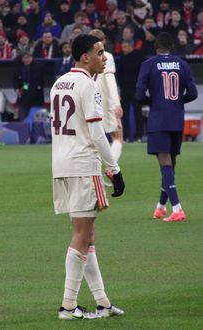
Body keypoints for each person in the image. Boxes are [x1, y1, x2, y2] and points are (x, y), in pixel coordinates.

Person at [50, 34, 125, 320]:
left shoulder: (59, 83)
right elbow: (96, 133)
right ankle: (68, 305)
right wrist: (114, 169)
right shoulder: (90, 85)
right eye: (100, 52)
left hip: (61, 165)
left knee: (87, 234)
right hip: (83, 166)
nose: (104, 57)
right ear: (85, 57)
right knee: (82, 235)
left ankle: (102, 302)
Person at [135, 32, 198, 222]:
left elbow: (139, 95)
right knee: (171, 163)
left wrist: (152, 101)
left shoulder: (149, 64)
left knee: (165, 163)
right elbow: (193, 93)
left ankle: (177, 208)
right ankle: (161, 207)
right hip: (177, 119)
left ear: (156, 46)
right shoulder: (183, 64)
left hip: (158, 119)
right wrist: (178, 101)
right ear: (173, 47)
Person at [89, 29, 123, 178]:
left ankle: (92, 173)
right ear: (102, 41)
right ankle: (111, 168)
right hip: (104, 101)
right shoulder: (106, 56)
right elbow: (109, 80)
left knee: (93, 139)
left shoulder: (86, 57)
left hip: (89, 99)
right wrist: (116, 103)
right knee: (118, 137)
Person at [117, 39, 144, 142]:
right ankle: (126, 137)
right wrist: (121, 87)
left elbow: (142, 74)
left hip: (136, 90)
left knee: (138, 113)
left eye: (125, 47)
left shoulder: (139, 58)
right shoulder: (121, 58)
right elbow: (119, 74)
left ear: (131, 46)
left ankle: (139, 136)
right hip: (125, 90)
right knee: (124, 115)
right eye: (122, 47)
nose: (123, 49)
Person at [13, 51, 44, 120]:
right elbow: (15, 80)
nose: (26, 60)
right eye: (24, 58)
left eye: (28, 57)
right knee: (22, 116)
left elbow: (38, 81)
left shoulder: (38, 67)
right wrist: (17, 89)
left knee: (36, 118)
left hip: (36, 97)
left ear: (32, 58)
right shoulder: (19, 68)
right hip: (23, 96)